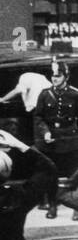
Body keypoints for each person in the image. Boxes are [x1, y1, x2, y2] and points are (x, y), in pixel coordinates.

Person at [33, 60, 78, 216]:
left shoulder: (74, 94)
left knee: (74, 174)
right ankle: (52, 205)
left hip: (70, 141)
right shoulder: (45, 95)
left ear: (66, 76)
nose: (55, 79)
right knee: (51, 174)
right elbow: (38, 117)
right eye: (53, 76)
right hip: (50, 142)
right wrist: (45, 132)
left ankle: (75, 207)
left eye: (58, 76)